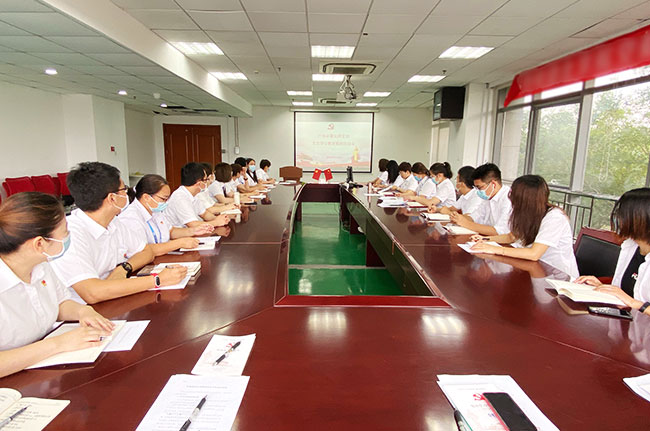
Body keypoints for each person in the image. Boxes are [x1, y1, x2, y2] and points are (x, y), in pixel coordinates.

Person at [0, 192, 115, 377]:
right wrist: (58, 344)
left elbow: (59, 302)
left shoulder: (40, 264)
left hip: (44, 372)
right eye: (65, 232)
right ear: (39, 244)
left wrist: (83, 311)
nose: (68, 237)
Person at [49, 162, 187, 304]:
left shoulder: (113, 222)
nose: (127, 193)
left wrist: (124, 268)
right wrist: (157, 280)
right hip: (85, 309)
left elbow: (146, 251)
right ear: (112, 198)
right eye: (124, 189)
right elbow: (92, 293)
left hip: (115, 297)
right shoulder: (70, 233)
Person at [470, 175, 579, 278]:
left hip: (558, 276)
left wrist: (495, 249)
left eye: (513, 194)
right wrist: (485, 239)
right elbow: (511, 237)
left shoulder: (555, 217)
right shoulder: (529, 213)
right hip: (535, 268)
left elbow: (534, 254)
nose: (510, 197)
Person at [576, 188, 650, 315]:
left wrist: (633, 303)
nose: (618, 219)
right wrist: (603, 287)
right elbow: (623, 292)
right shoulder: (631, 247)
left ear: (639, 219)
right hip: (624, 320)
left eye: (622, 214)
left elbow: (630, 300)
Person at [121, 174, 214, 256]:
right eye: (163, 199)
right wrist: (179, 243)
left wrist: (193, 231)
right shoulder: (131, 218)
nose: (165, 203)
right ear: (146, 197)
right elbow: (144, 250)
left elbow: (170, 231)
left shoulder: (155, 211)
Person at [450, 163, 512, 236]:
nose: (478, 191)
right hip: (486, 237)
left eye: (479, 187)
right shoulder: (488, 197)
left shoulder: (508, 198)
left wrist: (466, 223)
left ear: (493, 184)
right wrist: (458, 218)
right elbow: (474, 217)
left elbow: (499, 231)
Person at [165, 162, 230, 229]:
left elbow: (204, 214)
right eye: (206, 180)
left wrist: (218, 219)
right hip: (180, 233)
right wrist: (216, 222)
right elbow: (193, 224)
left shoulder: (193, 195)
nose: (207, 183)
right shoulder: (180, 197)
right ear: (199, 183)